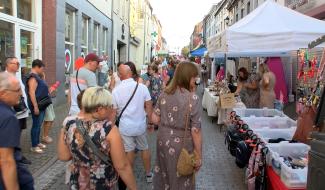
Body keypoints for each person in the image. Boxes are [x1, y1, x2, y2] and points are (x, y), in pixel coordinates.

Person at [58, 87, 137, 190]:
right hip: (102, 182)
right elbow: (122, 166)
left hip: (78, 182)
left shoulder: (68, 125)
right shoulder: (110, 130)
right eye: (109, 106)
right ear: (100, 109)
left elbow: (63, 156)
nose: (112, 109)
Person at [151, 61, 202, 190]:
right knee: (181, 175)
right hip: (182, 143)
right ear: (187, 77)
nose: (195, 81)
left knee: (164, 173)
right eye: (194, 77)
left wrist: (168, 121)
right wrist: (198, 155)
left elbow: (154, 119)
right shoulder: (193, 98)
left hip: (163, 139)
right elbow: (195, 130)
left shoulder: (165, 93)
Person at [112, 62, 154, 187]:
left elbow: (113, 113)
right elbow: (149, 105)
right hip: (140, 125)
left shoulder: (116, 90)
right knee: (144, 148)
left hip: (125, 127)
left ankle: (127, 177)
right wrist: (150, 121)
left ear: (120, 76)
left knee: (129, 151)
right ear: (130, 74)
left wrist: (110, 127)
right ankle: (148, 174)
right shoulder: (142, 87)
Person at [0, 72, 34, 189]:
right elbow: (6, 160)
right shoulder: (8, 117)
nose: (20, 94)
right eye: (17, 90)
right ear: (3, 93)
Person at [5, 57, 31, 164]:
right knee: (11, 134)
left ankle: (17, 154)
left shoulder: (17, 76)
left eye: (18, 63)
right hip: (12, 112)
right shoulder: (4, 78)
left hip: (21, 111)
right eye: (15, 63)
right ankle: (12, 156)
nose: (17, 65)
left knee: (18, 133)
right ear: (8, 65)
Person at [26, 59, 50, 153]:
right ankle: (34, 145)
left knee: (39, 124)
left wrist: (43, 77)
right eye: (42, 68)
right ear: (36, 67)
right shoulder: (32, 78)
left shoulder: (37, 76)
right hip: (37, 105)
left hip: (41, 105)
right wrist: (35, 106)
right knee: (36, 125)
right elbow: (31, 92)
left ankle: (37, 142)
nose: (42, 70)